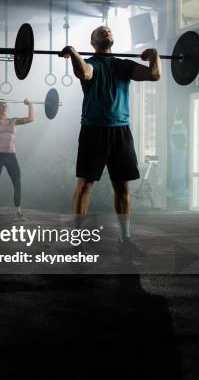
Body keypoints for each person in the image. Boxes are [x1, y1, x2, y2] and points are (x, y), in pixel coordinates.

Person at [58, 25, 160, 256]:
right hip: (93, 130)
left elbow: (154, 75)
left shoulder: (123, 65)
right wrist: (74, 52)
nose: (106, 30)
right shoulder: (91, 63)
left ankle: (125, 238)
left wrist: (154, 56)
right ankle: (77, 240)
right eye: (100, 30)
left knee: (122, 187)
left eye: (109, 29)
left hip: (120, 132)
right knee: (85, 186)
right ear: (92, 42)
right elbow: (84, 73)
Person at [0, 97, 34, 220]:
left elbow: (31, 119)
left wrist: (30, 105)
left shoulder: (13, 121)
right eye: (2, 105)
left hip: (11, 156)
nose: (5, 107)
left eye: (6, 105)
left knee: (17, 184)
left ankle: (18, 212)